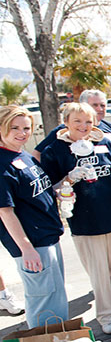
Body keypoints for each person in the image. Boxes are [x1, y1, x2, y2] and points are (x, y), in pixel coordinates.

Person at [40, 103, 111, 334]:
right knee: (99, 272)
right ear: (66, 121)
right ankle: (107, 316)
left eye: (88, 121)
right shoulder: (54, 150)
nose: (83, 126)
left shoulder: (103, 142)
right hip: (85, 222)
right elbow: (51, 186)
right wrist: (69, 179)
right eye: (77, 121)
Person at [0, 106, 66, 328]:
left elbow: (37, 191)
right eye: (14, 128)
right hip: (33, 245)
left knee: (56, 299)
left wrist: (61, 192)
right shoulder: (2, 163)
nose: (22, 133)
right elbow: (5, 211)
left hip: (48, 237)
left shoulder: (23, 155)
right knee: (44, 304)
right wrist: (26, 247)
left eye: (26, 128)